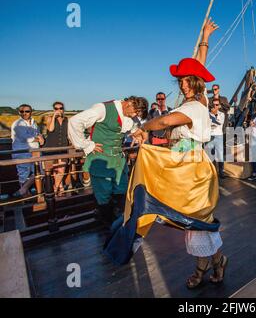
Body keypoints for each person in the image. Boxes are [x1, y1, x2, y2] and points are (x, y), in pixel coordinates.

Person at [105, 19, 228, 289]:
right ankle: (217, 261)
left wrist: (142, 128)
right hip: (186, 162)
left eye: (187, 80)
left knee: (194, 220)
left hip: (191, 166)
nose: (183, 84)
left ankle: (203, 268)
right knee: (195, 220)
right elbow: (200, 65)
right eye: (180, 80)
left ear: (196, 83)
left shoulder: (195, 107)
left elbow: (162, 123)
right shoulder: (198, 98)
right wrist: (205, 38)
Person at [68, 96, 148, 226]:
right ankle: (106, 224)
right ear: (129, 103)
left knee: (121, 190)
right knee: (103, 194)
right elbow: (74, 121)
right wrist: (87, 145)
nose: (134, 115)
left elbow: (131, 128)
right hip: (101, 159)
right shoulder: (103, 109)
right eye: (134, 112)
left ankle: (119, 223)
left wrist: (137, 134)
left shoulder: (130, 115)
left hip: (118, 161)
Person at [11, 104, 44, 197]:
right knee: (23, 174)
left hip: (35, 151)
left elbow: (38, 134)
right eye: (22, 111)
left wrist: (40, 138)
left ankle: (23, 190)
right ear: (19, 112)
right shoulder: (17, 124)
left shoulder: (34, 123)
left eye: (27, 111)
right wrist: (38, 139)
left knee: (40, 172)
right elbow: (25, 138)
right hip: (22, 152)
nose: (24, 113)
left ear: (31, 112)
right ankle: (25, 196)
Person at [43, 102, 70, 196]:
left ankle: (55, 188)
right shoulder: (49, 118)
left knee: (61, 170)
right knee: (55, 170)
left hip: (63, 146)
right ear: (53, 110)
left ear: (63, 109)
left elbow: (69, 133)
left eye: (61, 108)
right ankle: (61, 186)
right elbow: (50, 129)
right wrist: (54, 117)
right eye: (56, 108)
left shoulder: (67, 120)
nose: (58, 110)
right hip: (51, 147)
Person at [205, 98, 225, 178]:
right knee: (210, 155)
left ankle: (221, 172)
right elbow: (207, 124)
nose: (215, 106)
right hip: (210, 136)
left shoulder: (221, 114)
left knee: (220, 155)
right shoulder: (207, 114)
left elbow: (219, 123)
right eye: (213, 105)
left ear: (219, 106)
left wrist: (214, 118)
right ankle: (213, 172)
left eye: (217, 105)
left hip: (219, 136)